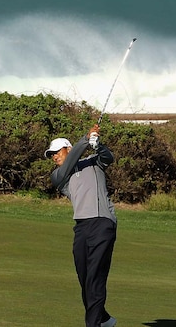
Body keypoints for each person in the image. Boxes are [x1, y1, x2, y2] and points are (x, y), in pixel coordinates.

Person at [48, 124, 118, 327]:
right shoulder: (59, 176)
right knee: (84, 277)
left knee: (95, 276)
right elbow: (70, 163)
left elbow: (108, 158)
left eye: (56, 152)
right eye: (51, 154)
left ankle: (93, 325)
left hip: (102, 222)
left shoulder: (93, 163)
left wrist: (97, 145)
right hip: (81, 227)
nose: (53, 157)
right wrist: (85, 140)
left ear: (68, 149)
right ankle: (103, 319)